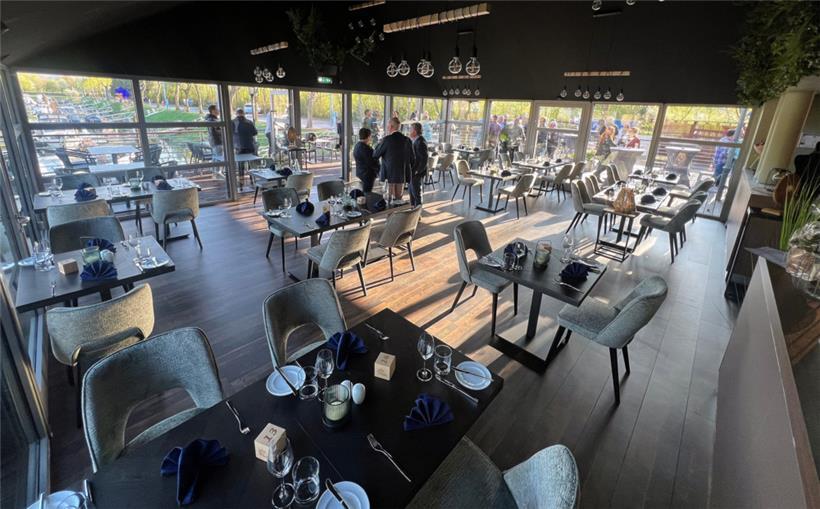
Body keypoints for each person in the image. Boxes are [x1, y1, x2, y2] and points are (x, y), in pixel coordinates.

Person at [373, 117, 414, 200]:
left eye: (388, 125)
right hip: (402, 175)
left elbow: (375, 154)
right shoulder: (407, 140)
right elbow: (412, 159)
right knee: (399, 199)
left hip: (389, 175)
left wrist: (379, 143)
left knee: (389, 200)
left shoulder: (386, 140)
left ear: (391, 127)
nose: (387, 127)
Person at [353, 128, 380, 193]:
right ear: (368, 136)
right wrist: (379, 169)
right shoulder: (365, 148)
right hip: (367, 175)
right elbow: (371, 162)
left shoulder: (357, 146)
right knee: (367, 193)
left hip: (361, 172)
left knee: (365, 192)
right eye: (370, 136)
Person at [408, 122, 428, 207]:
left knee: (416, 194)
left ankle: (417, 212)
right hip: (412, 172)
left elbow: (424, 160)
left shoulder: (421, 142)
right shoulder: (415, 140)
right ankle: (413, 209)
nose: (409, 131)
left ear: (415, 131)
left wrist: (417, 171)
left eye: (410, 129)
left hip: (416, 173)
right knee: (411, 192)